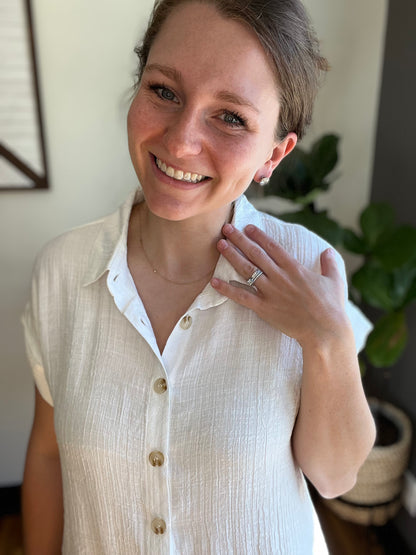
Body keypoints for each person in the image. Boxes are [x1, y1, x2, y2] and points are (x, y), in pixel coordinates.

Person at [21, 0, 376, 553]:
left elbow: (335, 477)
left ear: (274, 155)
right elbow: (47, 453)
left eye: (231, 117)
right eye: (164, 91)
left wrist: (326, 340)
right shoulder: (62, 271)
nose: (181, 140)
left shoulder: (309, 267)